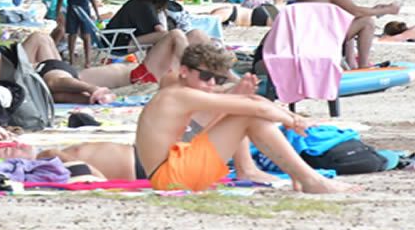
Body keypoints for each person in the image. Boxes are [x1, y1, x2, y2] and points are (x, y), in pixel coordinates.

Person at [44, 44, 357, 193]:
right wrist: (293, 122)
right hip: (172, 176)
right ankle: (309, 179)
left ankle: (306, 179)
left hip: (172, 170)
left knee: (245, 111)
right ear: (185, 72)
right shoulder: (177, 92)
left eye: (214, 78)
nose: (210, 83)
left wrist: (284, 113)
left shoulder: (183, 91)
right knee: (248, 114)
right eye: (205, 77)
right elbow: (255, 108)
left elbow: (250, 102)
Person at [0, 30, 193, 105]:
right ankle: (196, 68)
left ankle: (204, 69)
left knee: (40, 37)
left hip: (57, 70)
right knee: (177, 34)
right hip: (135, 76)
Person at [294, 0, 399, 69]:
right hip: (316, 37)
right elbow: (355, 11)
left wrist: (375, 10)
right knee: (367, 22)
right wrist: (388, 10)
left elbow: (348, 12)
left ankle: (351, 64)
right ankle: (363, 65)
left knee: (348, 22)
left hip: (306, 34)